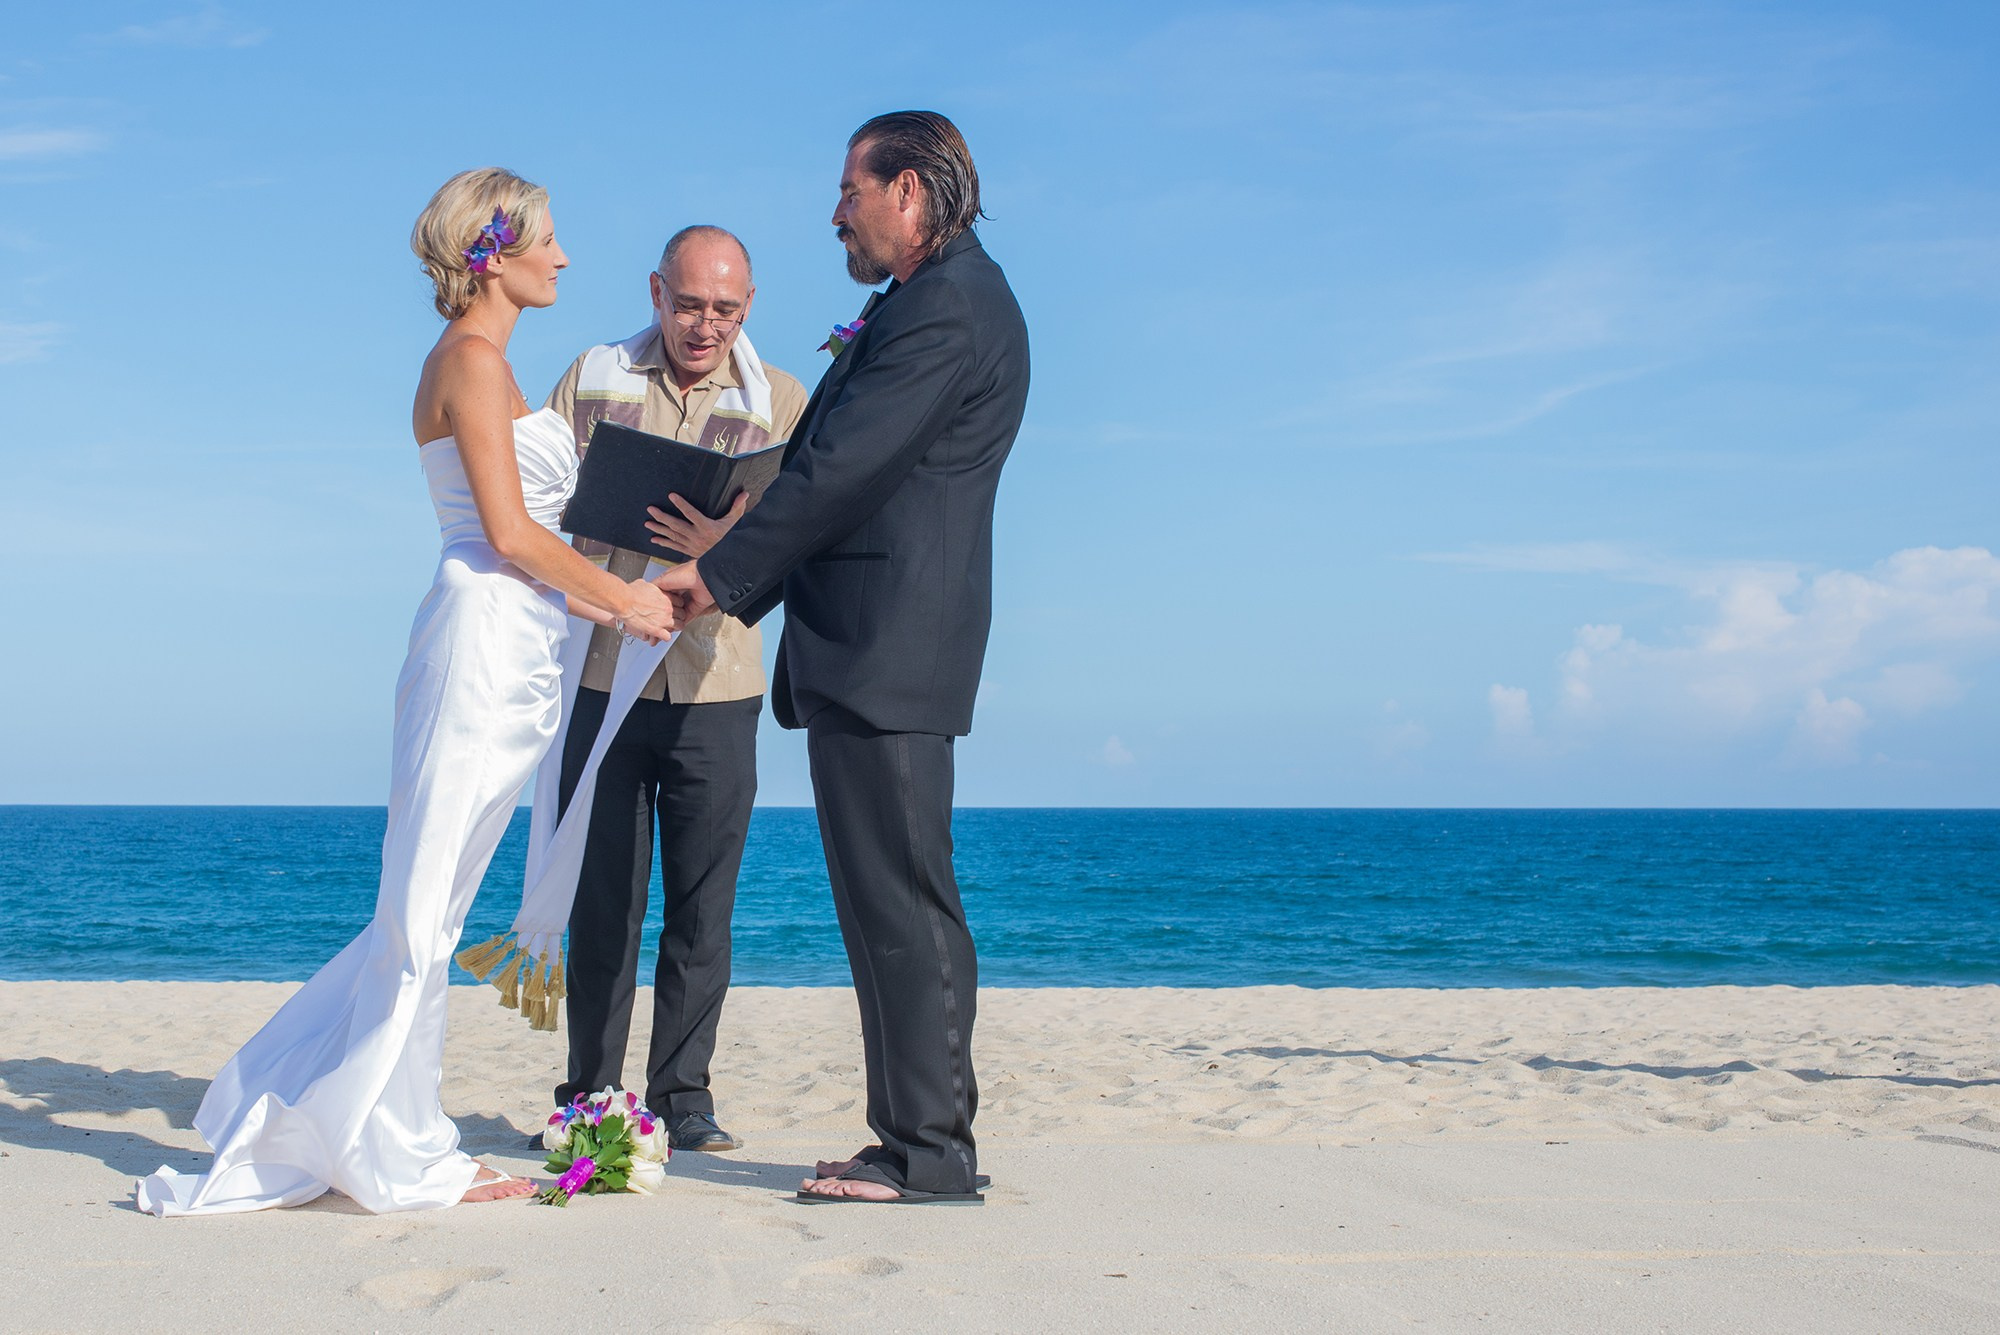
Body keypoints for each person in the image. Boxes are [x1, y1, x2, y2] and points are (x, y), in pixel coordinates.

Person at [135, 168, 679, 1216]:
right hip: (477, 641)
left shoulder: (492, 367)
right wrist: (623, 601)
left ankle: (371, 1123)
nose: (563, 257)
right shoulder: (470, 363)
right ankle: (396, 1148)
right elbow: (511, 537)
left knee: (437, 902)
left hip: (515, 643)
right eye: (549, 240)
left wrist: (630, 595)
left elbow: (525, 547)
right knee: (425, 906)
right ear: (495, 253)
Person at [655, 112, 1030, 1204]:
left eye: (848, 191)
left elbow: (843, 474)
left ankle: (929, 1152)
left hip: (891, 646)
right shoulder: (923, 302)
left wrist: (714, 581)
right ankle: (909, 1135)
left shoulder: (950, 305)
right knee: (884, 904)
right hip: (872, 646)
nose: (834, 213)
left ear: (906, 191)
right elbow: (818, 458)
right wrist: (718, 511)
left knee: (903, 904)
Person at [541, 226, 807, 1152]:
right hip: (603, 675)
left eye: (725, 310)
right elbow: (536, 506)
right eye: (689, 304)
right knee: (602, 900)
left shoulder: (782, 400)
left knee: (703, 906)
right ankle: (586, 1096)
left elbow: (798, 541)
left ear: (749, 308)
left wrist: (721, 549)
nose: (705, 326)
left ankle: (683, 1098)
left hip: (718, 684)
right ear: (657, 292)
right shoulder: (592, 375)